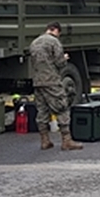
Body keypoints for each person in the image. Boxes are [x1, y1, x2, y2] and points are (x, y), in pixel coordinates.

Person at [28, 22, 83, 151]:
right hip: (51, 80)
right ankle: (67, 141)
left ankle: (45, 140)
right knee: (62, 107)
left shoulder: (34, 43)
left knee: (42, 111)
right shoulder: (54, 42)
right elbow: (59, 63)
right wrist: (64, 58)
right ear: (56, 30)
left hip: (38, 81)